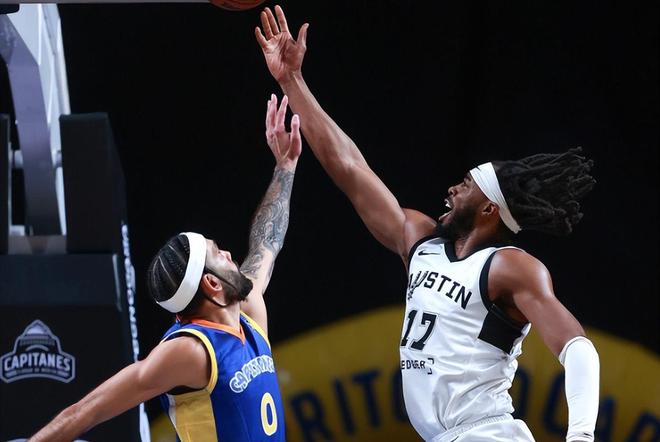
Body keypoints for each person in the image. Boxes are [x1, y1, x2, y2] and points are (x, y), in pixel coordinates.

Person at [256, 6, 600, 442]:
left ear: (490, 209)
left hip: (485, 433)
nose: (453, 189)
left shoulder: (509, 267)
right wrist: (292, 80)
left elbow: (578, 349)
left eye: (467, 185)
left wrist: (582, 436)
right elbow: (350, 168)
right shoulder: (422, 242)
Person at [29, 95, 301, 442]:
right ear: (211, 284)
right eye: (218, 253)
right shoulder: (192, 350)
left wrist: (285, 167)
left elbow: (266, 244)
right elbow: (88, 410)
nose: (229, 254)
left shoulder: (248, 315)